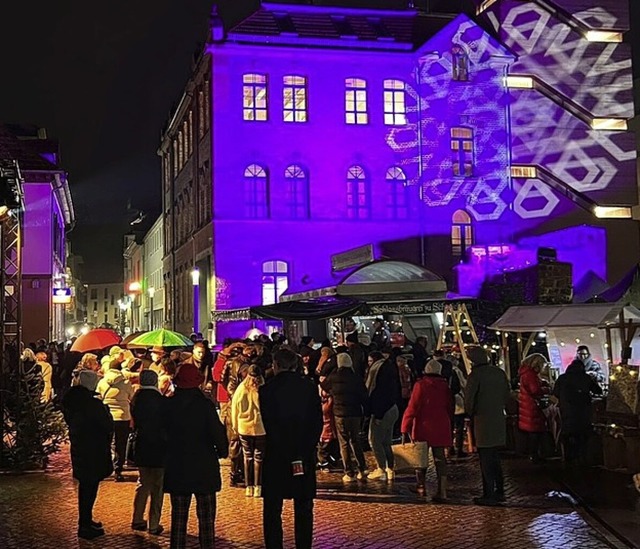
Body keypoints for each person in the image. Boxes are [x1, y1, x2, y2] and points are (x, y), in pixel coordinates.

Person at [259, 348, 323, 549]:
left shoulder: (267, 390)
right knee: (303, 505)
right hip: (302, 453)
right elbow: (317, 423)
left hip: (276, 453)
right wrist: (307, 447)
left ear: (276, 365)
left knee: (272, 508)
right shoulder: (308, 388)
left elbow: (269, 423)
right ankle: (303, 545)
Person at [163, 362, 228, 549]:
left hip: (177, 465)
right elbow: (217, 432)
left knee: (179, 518)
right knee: (206, 518)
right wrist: (222, 451)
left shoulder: (169, 405)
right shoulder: (205, 406)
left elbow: (162, 432)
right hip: (203, 465)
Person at [62, 370, 113, 540]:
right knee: (89, 488)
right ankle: (84, 525)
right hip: (94, 450)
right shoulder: (92, 405)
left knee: (86, 487)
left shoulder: (73, 402)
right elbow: (106, 426)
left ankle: (86, 520)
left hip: (81, 450)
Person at [464, 346, 510, 506]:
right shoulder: (499, 373)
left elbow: (469, 401)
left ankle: (488, 492)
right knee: (495, 458)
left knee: (485, 458)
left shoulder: (475, 376)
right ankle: (500, 490)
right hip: (497, 418)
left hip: (482, 420)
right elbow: (507, 394)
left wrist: (469, 413)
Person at [401, 359, 453, 501]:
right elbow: (449, 407)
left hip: (423, 426)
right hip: (441, 425)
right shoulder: (445, 386)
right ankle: (442, 490)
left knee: (420, 458)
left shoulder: (421, 385)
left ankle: (421, 486)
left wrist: (405, 426)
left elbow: (413, 406)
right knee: (440, 459)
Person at [321, 352, 369, 482]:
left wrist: (333, 393)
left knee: (344, 443)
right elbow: (364, 395)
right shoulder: (355, 377)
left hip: (339, 412)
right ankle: (362, 468)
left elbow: (323, 385)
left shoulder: (334, 376)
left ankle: (349, 472)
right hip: (355, 412)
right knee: (355, 440)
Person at [130, 370, 167, 535]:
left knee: (143, 482)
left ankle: (137, 518)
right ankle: (154, 523)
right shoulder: (160, 400)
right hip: (159, 446)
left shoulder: (136, 399)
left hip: (142, 444)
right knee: (157, 486)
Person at [553, 359, 602, 464]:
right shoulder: (586, 378)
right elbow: (598, 390)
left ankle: (568, 456)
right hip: (583, 411)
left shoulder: (562, 378)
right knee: (582, 434)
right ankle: (581, 457)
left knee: (567, 433)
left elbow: (555, 393)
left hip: (567, 411)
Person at [231, 364, 266, 497]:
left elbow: (234, 409)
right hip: (260, 427)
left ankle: (248, 486)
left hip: (244, 427)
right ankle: (258, 486)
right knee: (259, 457)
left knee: (247, 456)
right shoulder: (262, 389)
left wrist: (235, 426)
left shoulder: (241, 389)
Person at [97, 358, 134, 482]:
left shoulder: (102, 382)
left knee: (105, 443)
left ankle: (105, 468)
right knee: (121, 444)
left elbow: (98, 397)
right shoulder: (126, 383)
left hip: (107, 416)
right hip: (123, 416)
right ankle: (118, 470)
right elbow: (131, 397)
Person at [366, 351, 400, 481]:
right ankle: (390, 468)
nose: (369, 364)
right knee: (386, 441)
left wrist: (377, 414)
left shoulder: (377, 371)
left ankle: (381, 468)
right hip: (393, 408)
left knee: (374, 440)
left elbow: (377, 394)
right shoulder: (390, 369)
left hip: (382, 411)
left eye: (370, 361)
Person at [518, 353, 551, 463]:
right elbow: (535, 390)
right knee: (535, 432)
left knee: (532, 432)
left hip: (527, 405)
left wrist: (541, 383)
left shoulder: (526, 373)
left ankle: (534, 454)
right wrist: (546, 389)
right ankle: (535, 455)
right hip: (532, 406)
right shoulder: (530, 375)